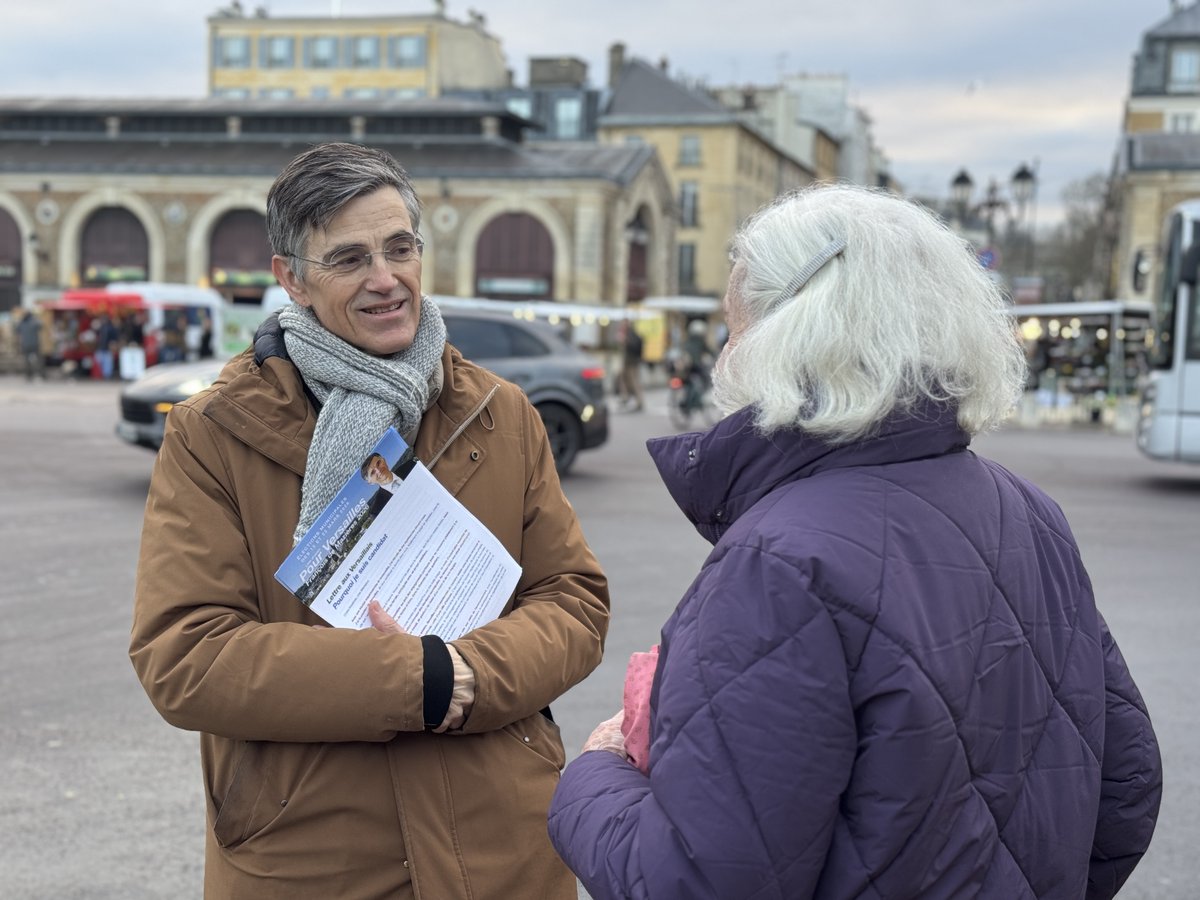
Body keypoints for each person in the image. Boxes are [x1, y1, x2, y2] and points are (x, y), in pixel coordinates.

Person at [548, 184, 1162, 899]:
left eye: (734, 328)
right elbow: (1125, 788)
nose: (725, 355)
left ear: (786, 336)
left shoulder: (778, 563)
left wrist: (593, 775)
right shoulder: (1030, 510)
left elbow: (700, 883)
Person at [129, 141, 610, 900]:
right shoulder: (214, 432)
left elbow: (574, 604)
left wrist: (473, 673)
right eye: (349, 259)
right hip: (312, 859)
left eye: (399, 248)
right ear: (291, 278)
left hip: (504, 846)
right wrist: (411, 679)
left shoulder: (499, 411)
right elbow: (186, 657)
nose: (386, 280)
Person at [616, 320, 644, 411]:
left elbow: (633, 347)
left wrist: (625, 341)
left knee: (634, 382)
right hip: (628, 362)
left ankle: (639, 401)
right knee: (623, 378)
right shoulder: (630, 334)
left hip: (632, 362)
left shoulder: (631, 335)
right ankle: (625, 396)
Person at [16, 308, 45, 381]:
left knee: (27, 361)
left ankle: (29, 375)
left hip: (26, 344)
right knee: (38, 360)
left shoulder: (22, 322)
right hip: (34, 344)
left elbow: (16, 329)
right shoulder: (34, 321)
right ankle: (40, 375)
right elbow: (41, 325)